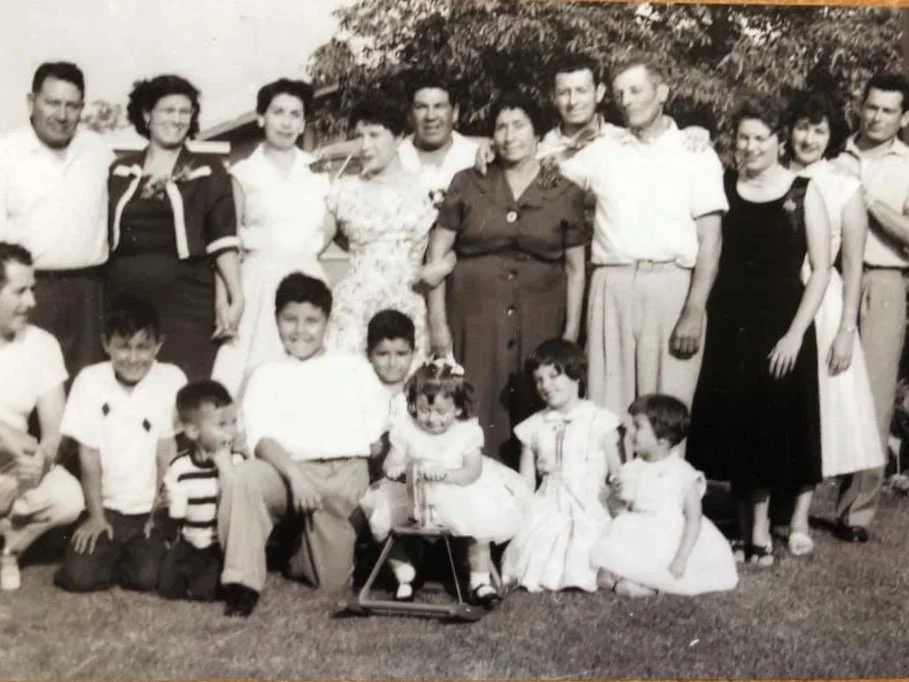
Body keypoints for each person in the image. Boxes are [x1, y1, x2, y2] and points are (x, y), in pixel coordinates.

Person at [687, 94, 831, 567]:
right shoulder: (723, 186)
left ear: (779, 139)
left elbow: (822, 271)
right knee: (738, 422)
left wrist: (794, 335)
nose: (750, 147)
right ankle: (750, 528)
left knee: (773, 425)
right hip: (731, 325)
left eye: (760, 138)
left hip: (782, 327)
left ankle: (763, 535)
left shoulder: (803, 192)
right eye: (743, 137)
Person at [425, 91, 591, 465]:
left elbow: (575, 267)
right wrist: (438, 324)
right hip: (475, 317)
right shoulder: (467, 182)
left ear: (538, 134)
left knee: (537, 402)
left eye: (519, 125)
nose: (509, 135)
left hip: (541, 316)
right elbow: (437, 254)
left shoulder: (565, 191)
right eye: (501, 127)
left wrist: (570, 333)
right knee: (476, 403)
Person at [560, 55, 727, 418]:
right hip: (610, 286)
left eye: (636, 90)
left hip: (670, 289)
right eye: (620, 93)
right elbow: (542, 175)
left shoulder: (695, 151)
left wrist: (694, 309)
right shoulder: (603, 151)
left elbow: (710, 240)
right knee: (606, 414)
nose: (627, 100)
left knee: (665, 416)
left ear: (662, 92)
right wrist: (489, 147)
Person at [218, 273, 387, 617]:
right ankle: (241, 583)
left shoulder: (354, 368)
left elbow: (374, 443)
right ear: (276, 320)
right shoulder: (267, 373)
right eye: (289, 319)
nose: (300, 330)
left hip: (342, 474)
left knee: (331, 582)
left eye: (312, 321)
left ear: (327, 322)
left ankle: (296, 544)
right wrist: (296, 477)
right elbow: (261, 440)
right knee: (243, 477)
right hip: (286, 473)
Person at [771, 91, 886, 553]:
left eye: (819, 130)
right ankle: (769, 507)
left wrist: (845, 331)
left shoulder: (842, 184)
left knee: (815, 411)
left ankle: (798, 517)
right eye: (802, 127)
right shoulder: (770, 178)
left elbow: (854, 264)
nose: (809, 138)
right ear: (788, 131)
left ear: (830, 135)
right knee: (776, 405)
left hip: (823, 304)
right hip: (773, 300)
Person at [359, 358, 529, 605]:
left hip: (457, 488)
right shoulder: (407, 429)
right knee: (380, 518)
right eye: (424, 410)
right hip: (414, 493)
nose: (431, 419)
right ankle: (404, 574)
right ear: (414, 405)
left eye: (441, 412)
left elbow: (472, 471)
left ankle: (479, 581)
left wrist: (447, 475)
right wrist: (398, 470)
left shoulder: (466, 431)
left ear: (458, 409)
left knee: (477, 524)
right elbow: (390, 463)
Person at [107, 74, 243, 381]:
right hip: (125, 295)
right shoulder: (120, 170)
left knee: (186, 382)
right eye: (168, 110)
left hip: (187, 300)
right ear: (147, 115)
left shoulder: (208, 170)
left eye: (185, 112)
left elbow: (223, 239)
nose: (177, 119)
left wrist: (236, 295)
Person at [54, 295, 187, 592]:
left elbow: (167, 452)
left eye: (143, 347)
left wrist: (158, 513)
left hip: (147, 510)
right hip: (109, 507)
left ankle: (133, 557)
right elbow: (88, 456)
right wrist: (96, 516)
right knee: (78, 577)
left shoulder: (171, 378)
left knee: (148, 578)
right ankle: (109, 554)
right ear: (106, 344)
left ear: (158, 345)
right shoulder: (89, 380)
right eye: (123, 346)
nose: (133, 357)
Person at [211, 79, 331, 396]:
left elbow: (327, 228)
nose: (286, 122)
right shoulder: (243, 172)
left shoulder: (318, 170)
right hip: (258, 284)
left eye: (295, 114)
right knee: (254, 368)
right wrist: (223, 300)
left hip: (309, 278)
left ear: (304, 122)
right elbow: (228, 242)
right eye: (278, 112)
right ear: (262, 117)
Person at [832, 73, 909, 544]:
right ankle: (794, 494)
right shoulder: (834, 153)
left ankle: (856, 511)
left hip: (882, 281)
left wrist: (865, 195)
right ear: (860, 106)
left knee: (874, 397)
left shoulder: (906, 164)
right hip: (832, 277)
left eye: (888, 110)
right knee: (822, 385)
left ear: (904, 117)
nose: (877, 117)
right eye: (872, 107)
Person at [0, 62, 113, 379]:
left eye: (71, 105)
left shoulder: (98, 151)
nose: (62, 115)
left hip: (90, 292)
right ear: (31, 102)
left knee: (87, 385)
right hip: (30, 291)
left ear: (81, 108)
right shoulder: (6, 153)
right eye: (52, 102)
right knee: (27, 382)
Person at [500, 339, 622, 593]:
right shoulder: (533, 426)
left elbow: (617, 471)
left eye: (553, 376)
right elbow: (527, 480)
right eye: (539, 380)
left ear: (576, 375)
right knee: (542, 539)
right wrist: (523, 508)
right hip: (549, 500)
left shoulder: (599, 420)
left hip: (591, 499)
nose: (545, 386)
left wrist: (619, 499)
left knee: (590, 538)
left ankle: (593, 573)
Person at [322, 97, 436, 363]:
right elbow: (313, 243)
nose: (365, 146)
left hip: (408, 304)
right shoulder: (344, 190)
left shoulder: (427, 186)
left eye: (374, 135)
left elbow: (452, 243)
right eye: (358, 136)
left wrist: (441, 266)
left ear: (398, 137)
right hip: (354, 310)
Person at [591, 394, 738, 597]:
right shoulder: (632, 469)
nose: (630, 433)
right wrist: (614, 497)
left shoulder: (682, 472)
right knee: (611, 557)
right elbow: (620, 512)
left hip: (669, 534)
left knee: (659, 566)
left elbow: (693, 517)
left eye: (637, 427)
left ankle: (646, 586)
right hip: (636, 528)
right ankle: (622, 577)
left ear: (662, 439)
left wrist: (682, 557)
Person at [0, 243, 83, 591]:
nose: (32, 302)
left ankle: (7, 550)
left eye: (33, 289)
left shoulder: (42, 344)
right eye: (20, 291)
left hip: (14, 471)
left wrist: (42, 461)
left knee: (69, 496)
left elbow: (55, 432)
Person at [158, 380, 243, 602]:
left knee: (205, 591)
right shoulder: (180, 466)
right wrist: (165, 501)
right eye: (222, 425)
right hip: (189, 540)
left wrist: (225, 467)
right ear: (193, 431)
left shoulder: (237, 461)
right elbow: (166, 498)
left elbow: (239, 504)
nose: (231, 432)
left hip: (219, 544)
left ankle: (213, 581)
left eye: (234, 422)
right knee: (167, 587)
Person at [397, 74, 479, 197]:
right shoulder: (395, 157)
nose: (431, 116)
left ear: (455, 112)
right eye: (421, 107)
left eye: (439, 106)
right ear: (409, 115)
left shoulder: (474, 157)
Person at [366, 309, 417, 479]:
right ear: (369, 355)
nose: (393, 363)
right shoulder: (363, 395)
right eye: (383, 354)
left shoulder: (418, 394)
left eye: (401, 354)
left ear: (413, 354)